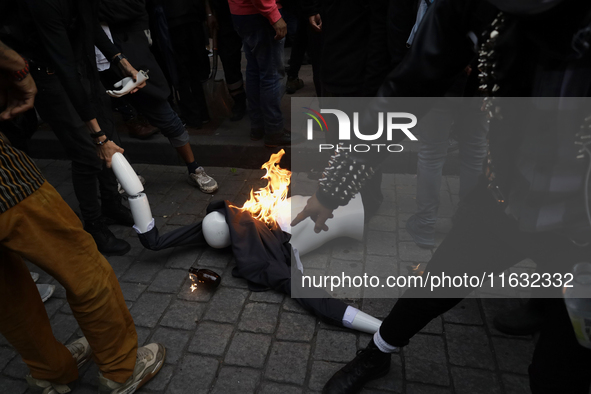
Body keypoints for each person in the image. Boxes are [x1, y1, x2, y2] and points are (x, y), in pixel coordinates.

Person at [292, 0, 591, 392]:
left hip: (582, 231)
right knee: (432, 287)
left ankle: (545, 306)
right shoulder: (473, 8)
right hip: (504, 196)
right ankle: (378, 352)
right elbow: (409, 90)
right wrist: (332, 189)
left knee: (559, 370)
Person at [0, 39, 165, 394]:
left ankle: (50, 370)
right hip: (5, 183)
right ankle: (122, 368)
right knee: (83, 266)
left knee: (7, 292)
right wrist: (18, 67)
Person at [11, 0, 145, 255]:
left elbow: (91, 26)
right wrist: (97, 137)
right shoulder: (45, 5)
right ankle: (94, 226)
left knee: (111, 137)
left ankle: (111, 205)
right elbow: (64, 68)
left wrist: (121, 61)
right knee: (88, 153)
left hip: (81, 69)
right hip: (52, 77)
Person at [98, 0, 219, 194]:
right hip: (98, 68)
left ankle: (194, 168)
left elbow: (133, 8)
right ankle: (124, 176)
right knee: (105, 125)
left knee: (166, 116)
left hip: (134, 61)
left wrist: (91, 10)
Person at [228, 0, 303, 147]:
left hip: (242, 13)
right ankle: (274, 129)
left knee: (255, 71)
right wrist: (273, 15)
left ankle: (258, 126)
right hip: (259, 15)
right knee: (271, 74)